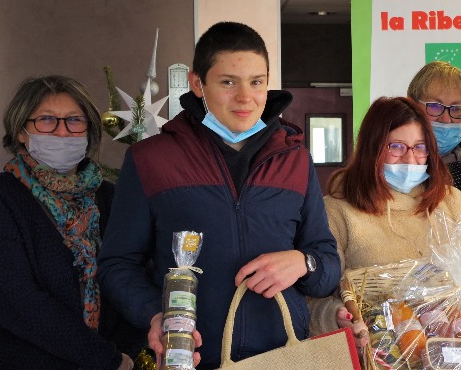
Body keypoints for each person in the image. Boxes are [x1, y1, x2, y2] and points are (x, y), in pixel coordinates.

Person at [98, 22, 341, 369]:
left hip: (283, 357)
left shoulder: (295, 159)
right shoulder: (150, 159)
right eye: (228, 82)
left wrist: (304, 263)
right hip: (191, 357)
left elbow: (327, 261)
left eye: (256, 82)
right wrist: (154, 313)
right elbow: (117, 264)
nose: (245, 97)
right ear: (198, 83)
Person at [0, 75, 142, 369]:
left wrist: (123, 354)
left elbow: (132, 277)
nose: (63, 132)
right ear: (21, 131)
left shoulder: (112, 197)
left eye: (74, 120)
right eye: (47, 120)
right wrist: (105, 358)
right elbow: (14, 300)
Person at [308, 96, 461, 340]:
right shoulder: (337, 211)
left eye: (420, 147)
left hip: (460, 349)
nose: (410, 159)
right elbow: (311, 301)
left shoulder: (454, 202)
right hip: (380, 350)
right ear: (373, 149)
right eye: (397, 147)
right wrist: (335, 317)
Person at [407, 61, 461, 199]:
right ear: (411, 106)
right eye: (435, 106)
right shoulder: (393, 152)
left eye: (456, 108)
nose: (446, 119)